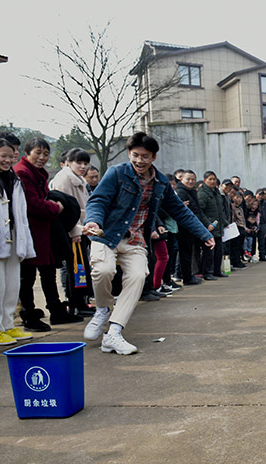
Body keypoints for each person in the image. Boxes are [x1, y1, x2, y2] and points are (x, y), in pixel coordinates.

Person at [82, 132, 214, 355]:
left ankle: (113, 333)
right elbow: (98, 200)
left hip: (135, 240)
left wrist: (203, 233)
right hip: (106, 234)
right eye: (135, 155)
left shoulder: (161, 182)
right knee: (103, 270)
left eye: (145, 156)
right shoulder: (116, 173)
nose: (139, 161)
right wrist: (93, 220)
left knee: (137, 276)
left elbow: (180, 210)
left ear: (153, 157)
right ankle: (103, 309)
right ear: (129, 154)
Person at [14, 138, 83, 331]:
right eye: (38, 153)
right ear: (27, 153)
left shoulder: (36, 173)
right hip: (30, 231)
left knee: (48, 272)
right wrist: (56, 207)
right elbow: (32, 204)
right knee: (27, 276)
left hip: (44, 231)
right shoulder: (22, 172)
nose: (42, 157)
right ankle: (29, 315)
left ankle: (56, 310)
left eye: (45, 153)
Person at [0, 139, 36, 347]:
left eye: (11, 156)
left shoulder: (14, 179)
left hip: (13, 239)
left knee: (11, 286)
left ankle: (7, 324)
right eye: (3, 156)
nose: (8, 160)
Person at [50, 148, 95, 315]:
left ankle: (82, 301)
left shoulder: (79, 179)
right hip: (72, 230)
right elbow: (68, 208)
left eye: (85, 163)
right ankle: (76, 303)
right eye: (79, 163)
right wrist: (75, 230)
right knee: (74, 268)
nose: (83, 166)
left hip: (82, 229)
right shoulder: (64, 179)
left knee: (81, 268)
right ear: (68, 162)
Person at [175, 170, 210, 285]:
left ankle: (187, 275)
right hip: (184, 228)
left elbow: (197, 210)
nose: (190, 181)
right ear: (181, 180)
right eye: (188, 179)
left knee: (188, 253)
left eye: (193, 179)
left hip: (192, 227)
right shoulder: (181, 192)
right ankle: (185, 277)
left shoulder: (192, 192)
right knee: (184, 253)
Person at [197, 171, 226, 280]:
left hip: (218, 226)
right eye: (210, 179)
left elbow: (220, 210)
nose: (212, 181)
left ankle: (217, 270)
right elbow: (200, 211)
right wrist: (207, 223)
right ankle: (207, 272)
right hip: (208, 227)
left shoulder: (216, 192)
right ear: (205, 180)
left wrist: (225, 222)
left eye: (214, 179)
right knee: (208, 251)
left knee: (219, 250)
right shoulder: (203, 193)